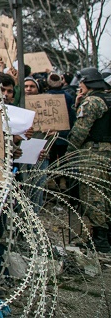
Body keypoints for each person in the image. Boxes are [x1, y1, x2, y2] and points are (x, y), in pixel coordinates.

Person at [67, 67, 111, 253]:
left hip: (94, 154)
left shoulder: (92, 102)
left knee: (94, 196)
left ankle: (100, 241)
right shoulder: (107, 99)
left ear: (85, 82)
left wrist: (69, 153)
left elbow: (79, 132)